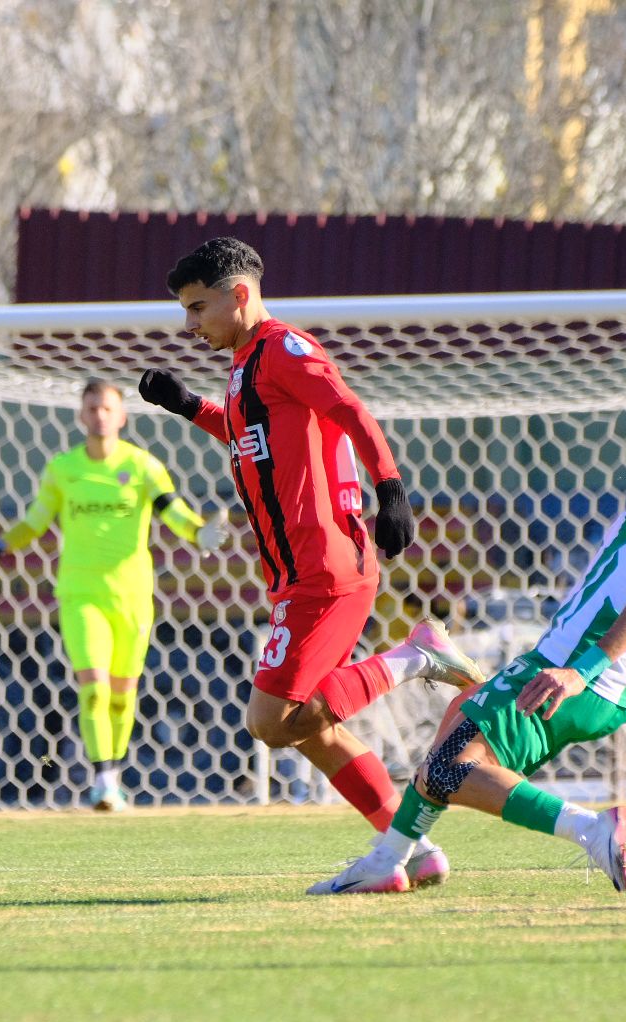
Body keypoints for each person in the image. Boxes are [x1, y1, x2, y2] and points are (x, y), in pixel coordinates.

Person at [306, 373, 626, 894]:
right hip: (617, 690)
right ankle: (393, 857)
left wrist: (578, 670)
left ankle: (593, 830)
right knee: (460, 721)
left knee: (448, 771)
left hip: (574, 667)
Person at [138, 236, 483, 885]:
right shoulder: (245, 365)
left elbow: (348, 409)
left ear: (239, 296)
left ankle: (417, 656)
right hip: (297, 573)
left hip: (325, 566)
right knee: (307, 726)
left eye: (197, 307)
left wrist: (392, 490)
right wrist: (189, 406)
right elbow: (249, 432)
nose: (189, 325)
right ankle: (407, 850)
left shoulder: (284, 349)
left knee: (270, 722)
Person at [0, 379, 225, 811]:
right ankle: (104, 782)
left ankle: (113, 776)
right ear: (81, 415)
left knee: (122, 692)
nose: (99, 416)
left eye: (107, 408)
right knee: (92, 687)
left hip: (132, 596)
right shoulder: (64, 469)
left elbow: (174, 513)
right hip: (80, 594)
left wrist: (199, 533)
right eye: (92, 408)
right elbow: (34, 523)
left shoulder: (144, 466)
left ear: (122, 416)